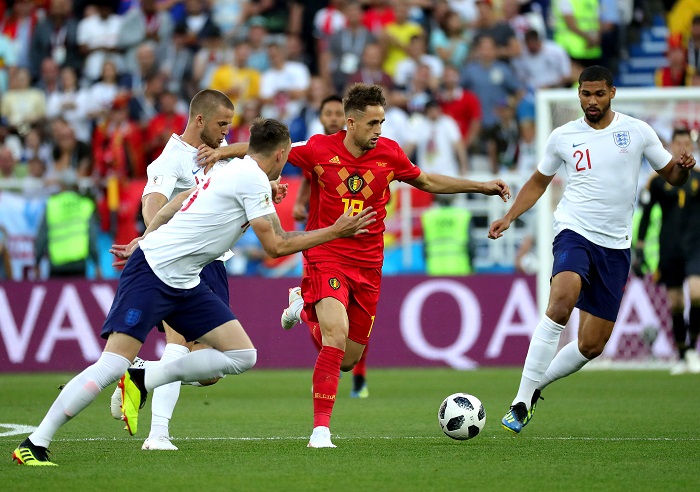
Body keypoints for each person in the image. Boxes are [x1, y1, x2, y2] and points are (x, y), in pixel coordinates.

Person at [12, 117, 376, 466]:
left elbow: (176, 205)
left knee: (242, 355)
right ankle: (35, 443)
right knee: (112, 363)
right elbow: (277, 247)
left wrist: (142, 237)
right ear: (281, 155)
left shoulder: (233, 171)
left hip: (186, 280)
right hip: (154, 273)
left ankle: (144, 378)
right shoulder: (249, 178)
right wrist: (336, 230)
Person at [210, 83, 508, 448]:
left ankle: (302, 306)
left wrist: (481, 186)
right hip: (327, 254)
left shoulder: (391, 154)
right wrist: (222, 153)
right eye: (372, 123)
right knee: (335, 336)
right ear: (350, 123)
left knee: (348, 359)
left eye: (382, 122)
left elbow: (427, 180)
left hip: (368, 264)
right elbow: (268, 150)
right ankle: (321, 431)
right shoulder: (319, 149)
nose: (379, 130)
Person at [488, 66, 697, 435]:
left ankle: (536, 387)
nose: (592, 101)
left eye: (599, 94)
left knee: (591, 345)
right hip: (574, 231)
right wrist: (509, 217)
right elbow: (539, 181)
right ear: (579, 94)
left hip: (616, 246)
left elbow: (672, 176)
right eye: (586, 94)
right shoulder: (563, 136)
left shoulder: (636, 132)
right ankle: (520, 400)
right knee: (561, 299)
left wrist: (683, 168)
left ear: (612, 93)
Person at [110, 89, 246, 452]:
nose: (226, 131)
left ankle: (142, 376)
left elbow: (251, 168)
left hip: (214, 261)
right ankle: (158, 435)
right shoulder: (170, 159)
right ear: (199, 120)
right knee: (178, 345)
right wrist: (157, 241)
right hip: (182, 261)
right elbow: (153, 202)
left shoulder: (218, 154)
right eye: (221, 124)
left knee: (213, 370)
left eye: (229, 125)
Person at [289, 94, 370, 398]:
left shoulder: (358, 151)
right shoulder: (318, 148)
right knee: (335, 327)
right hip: (321, 243)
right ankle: (339, 369)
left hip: (358, 245)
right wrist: (298, 204)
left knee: (349, 329)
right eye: (329, 113)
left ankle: (353, 371)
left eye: (339, 113)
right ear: (322, 118)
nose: (334, 118)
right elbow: (309, 181)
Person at [635, 128, 700, 375]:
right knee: (675, 303)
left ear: (691, 147)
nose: (683, 146)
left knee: (696, 294)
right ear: (671, 146)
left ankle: (693, 348)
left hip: (695, 246)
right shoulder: (658, 181)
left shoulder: (698, 178)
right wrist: (639, 247)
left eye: (687, 142)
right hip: (669, 247)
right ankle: (683, 354)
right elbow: (646, 214)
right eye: (678, 142)